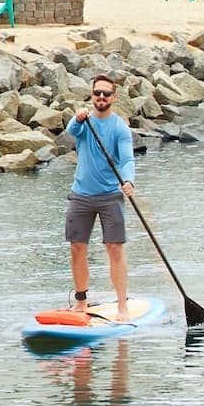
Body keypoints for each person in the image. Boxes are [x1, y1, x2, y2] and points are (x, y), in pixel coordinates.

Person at [64, 73, 137, 321]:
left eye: (106, 94)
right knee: (77, 247)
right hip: (81, 194)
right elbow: (70, 131)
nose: (101, 97)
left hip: (110, 196)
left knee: (115, 248)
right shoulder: (84, 122)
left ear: (114, 98)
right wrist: (78, 117)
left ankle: (122, 306)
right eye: (97, 93)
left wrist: (128, 181)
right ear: (92, 96)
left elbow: (127, 159)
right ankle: (81, 301)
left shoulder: (119, 128)